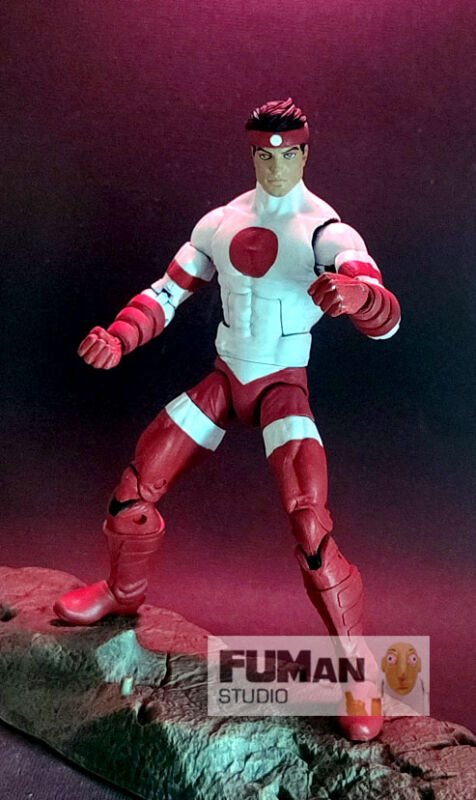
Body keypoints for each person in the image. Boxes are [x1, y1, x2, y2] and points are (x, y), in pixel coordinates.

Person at [54, 98, 401, 740]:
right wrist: (119, 337)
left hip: (281, 389)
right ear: (252, 152)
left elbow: (385, 314)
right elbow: (167, 293)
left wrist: (359, 297)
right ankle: (122, 595)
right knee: (131, 495)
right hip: (223, 380)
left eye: (285, 154)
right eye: (262, 154)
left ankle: (361, 671)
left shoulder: (326, 233)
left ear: (305, 152)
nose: (274, 165)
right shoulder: (220, 222)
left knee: (311, 526)